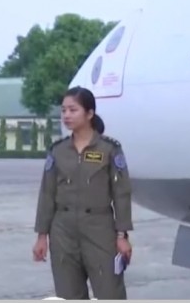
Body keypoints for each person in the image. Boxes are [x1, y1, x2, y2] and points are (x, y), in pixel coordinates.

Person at [32, 86, 133, 299]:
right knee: (68, 294)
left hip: (100, 230)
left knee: (110, 293)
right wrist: (42, 236)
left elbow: (121, 194)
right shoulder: (58, 150)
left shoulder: (109, 149)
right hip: (63, 232)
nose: (66, 115)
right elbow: (47, 193)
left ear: (89, 113)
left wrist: (122, 235)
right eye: (63, 110)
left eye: (73, 110)